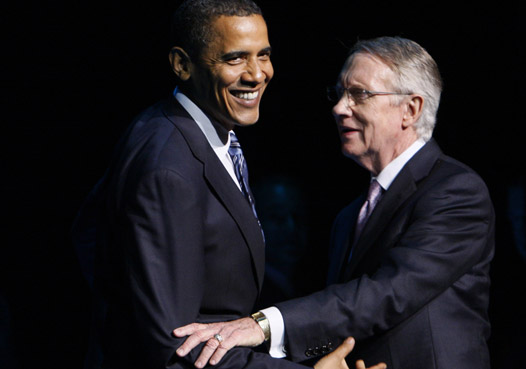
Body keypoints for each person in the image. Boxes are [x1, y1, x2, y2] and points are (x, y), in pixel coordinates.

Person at [72, 1, 385, 368]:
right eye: (235, 59)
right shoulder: (167, 167)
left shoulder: (194, 133)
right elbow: (173, 348)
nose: (256, 74)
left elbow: (88, 234)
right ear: (182, 65)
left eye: (264, 55)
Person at [172, 36, 495, 369]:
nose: (340, 108)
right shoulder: (349, 216)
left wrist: (262, 325)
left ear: (410, 109)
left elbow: (389, 293)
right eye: (339, 93)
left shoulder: (456, 192)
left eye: (359, 94)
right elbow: (348, 322)